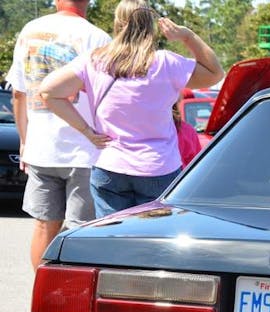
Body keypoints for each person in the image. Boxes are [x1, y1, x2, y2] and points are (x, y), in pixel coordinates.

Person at [38, 0, 224, 218]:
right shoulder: (166, 63)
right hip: (158, 167)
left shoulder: (94, 61)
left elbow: (48, 91)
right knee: (153, 236)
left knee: (113, 235)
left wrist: (86, 131)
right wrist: (188, 37)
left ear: (118, 23)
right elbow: (215, 73)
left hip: (110, 165)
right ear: (151, 25)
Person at [6, 0, 110, 270]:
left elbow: (19, 93)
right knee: (81, 229)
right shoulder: (98, 37)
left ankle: (41, 290)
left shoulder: (29, 31)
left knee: (43, 226)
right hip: (86, 149)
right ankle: (72, 292)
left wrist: (25, 140)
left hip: (42, 148)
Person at [173, 95, 202, 168]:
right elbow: (197, 165)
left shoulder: (147, 129)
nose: (193, 113)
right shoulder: (186, 130)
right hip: (183, 174)